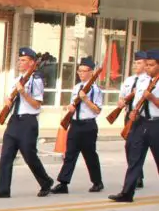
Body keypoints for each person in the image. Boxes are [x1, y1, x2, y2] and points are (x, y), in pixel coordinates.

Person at [0, 46, 54, 199]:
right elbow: (12, 99)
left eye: (23, 60)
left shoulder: (36, 80)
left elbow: (37, 104)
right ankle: (3, 189)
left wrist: (23, 92)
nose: (19, 63)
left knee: (29, 156)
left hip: (27, 122)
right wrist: (8, 101)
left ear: (32, 63)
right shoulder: (17, 79)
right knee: (6, 155)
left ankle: (46, 181)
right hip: (14, 120)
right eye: (19, 60)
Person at [109, 49, 159, 202]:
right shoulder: (143, 81)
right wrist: (134, 113)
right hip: (140, 122)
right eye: (147, 65)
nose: (147, 68)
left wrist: (152, 98)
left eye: (151, 65)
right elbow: (137, 102)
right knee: (134, 158)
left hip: (156, 124)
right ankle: (127, 193)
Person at [51, 57, 104, 194]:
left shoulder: (95, 90)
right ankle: (63, 183)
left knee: (90, 155)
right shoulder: (76, 87)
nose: (81, 74)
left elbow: (97, 110)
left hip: (88, 125)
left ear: (91, 72)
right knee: (69, 155)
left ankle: (97, 182)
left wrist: (85, 99)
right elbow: (73, 103)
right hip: (75, 124)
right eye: (79, 71)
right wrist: (70, 107)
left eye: (84, 71)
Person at [113, 50, 147, 189]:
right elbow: (122, 97)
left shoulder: (148, 81)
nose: (136, 65)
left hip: (142, 117)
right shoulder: (129, 80)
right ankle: (137, 174)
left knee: (138, 148)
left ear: (146, 65)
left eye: (139, 63)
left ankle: (136, 177)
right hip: (129, 116)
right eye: (135, 63)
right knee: (129, 147)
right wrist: (121, 102)